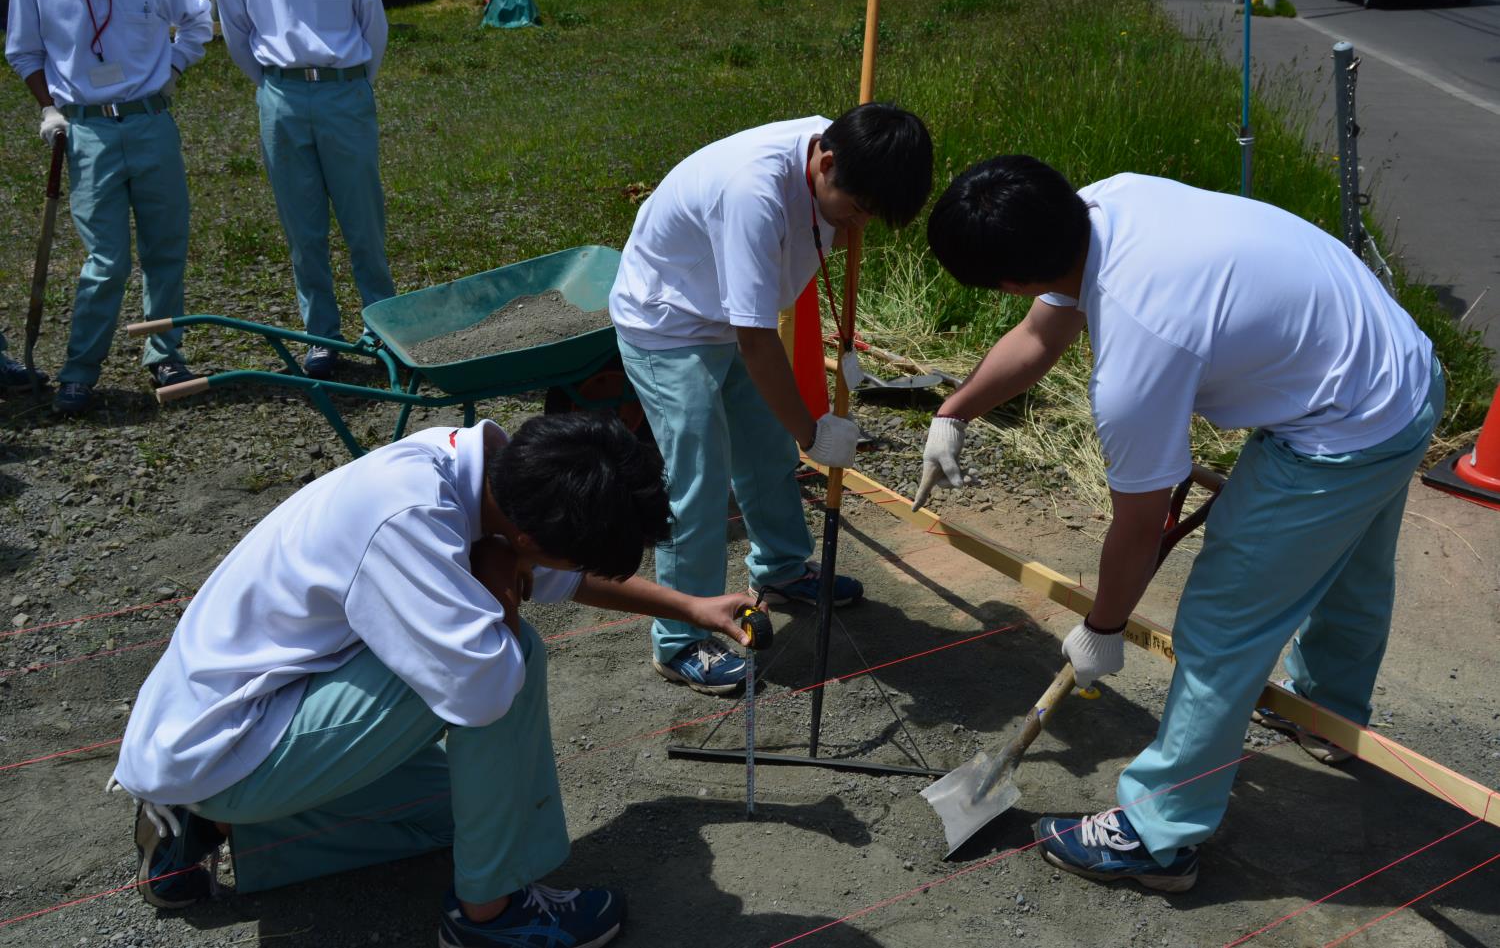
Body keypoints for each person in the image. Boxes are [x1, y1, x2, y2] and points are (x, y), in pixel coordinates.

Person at [918, 157, 1441, 892]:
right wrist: (954, 410)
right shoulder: (1103, 203)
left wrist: (1103, 625)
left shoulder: (1136, 348)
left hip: (1342, 425)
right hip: (1398, 368)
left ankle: (1158, 835)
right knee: (1348, 561)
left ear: (1011, 280)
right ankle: (1325, 709)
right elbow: (1041, 336)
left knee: (1224, 622)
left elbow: (1139, 521)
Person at [109, 412, 757, 947]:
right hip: (232, 736)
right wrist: (500, 584)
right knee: (513, 659)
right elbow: (484, 687)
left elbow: (559, 569)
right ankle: (488, 916)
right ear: (526, 535)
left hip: (224, 720)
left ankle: (208, 834)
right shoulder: (409, 519)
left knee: (470, 817)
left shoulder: (483, 473)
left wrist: (691, 608)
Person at [609, 102, 934, 696]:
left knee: (763, 447)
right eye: (858, 211)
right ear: (825, 163)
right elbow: (761, 342)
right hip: (668, 320)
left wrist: (795, 431)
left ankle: (782, 571)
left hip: (726, 314)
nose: (859, 226)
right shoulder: (753, 194)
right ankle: (682, 637)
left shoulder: (840, 153)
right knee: (699, 471)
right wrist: (813, 434)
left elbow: (758, 329)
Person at [5, 0, 210, 414]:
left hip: (150, 120)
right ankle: (79, 370)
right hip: (88, 128)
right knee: (107, 259)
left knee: (165, 246)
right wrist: (48, 107)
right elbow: (24, 51)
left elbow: (198, 18)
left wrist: (173, 67)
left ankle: (165, 354)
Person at [212, 0, 395, 380]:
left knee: (364, 219)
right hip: (281, 94)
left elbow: (374, 22)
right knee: (302, 225)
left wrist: (352, 87)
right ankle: (321, 335)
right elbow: (237, 32)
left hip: (344, 88)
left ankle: (385, 328)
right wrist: (276, 86)